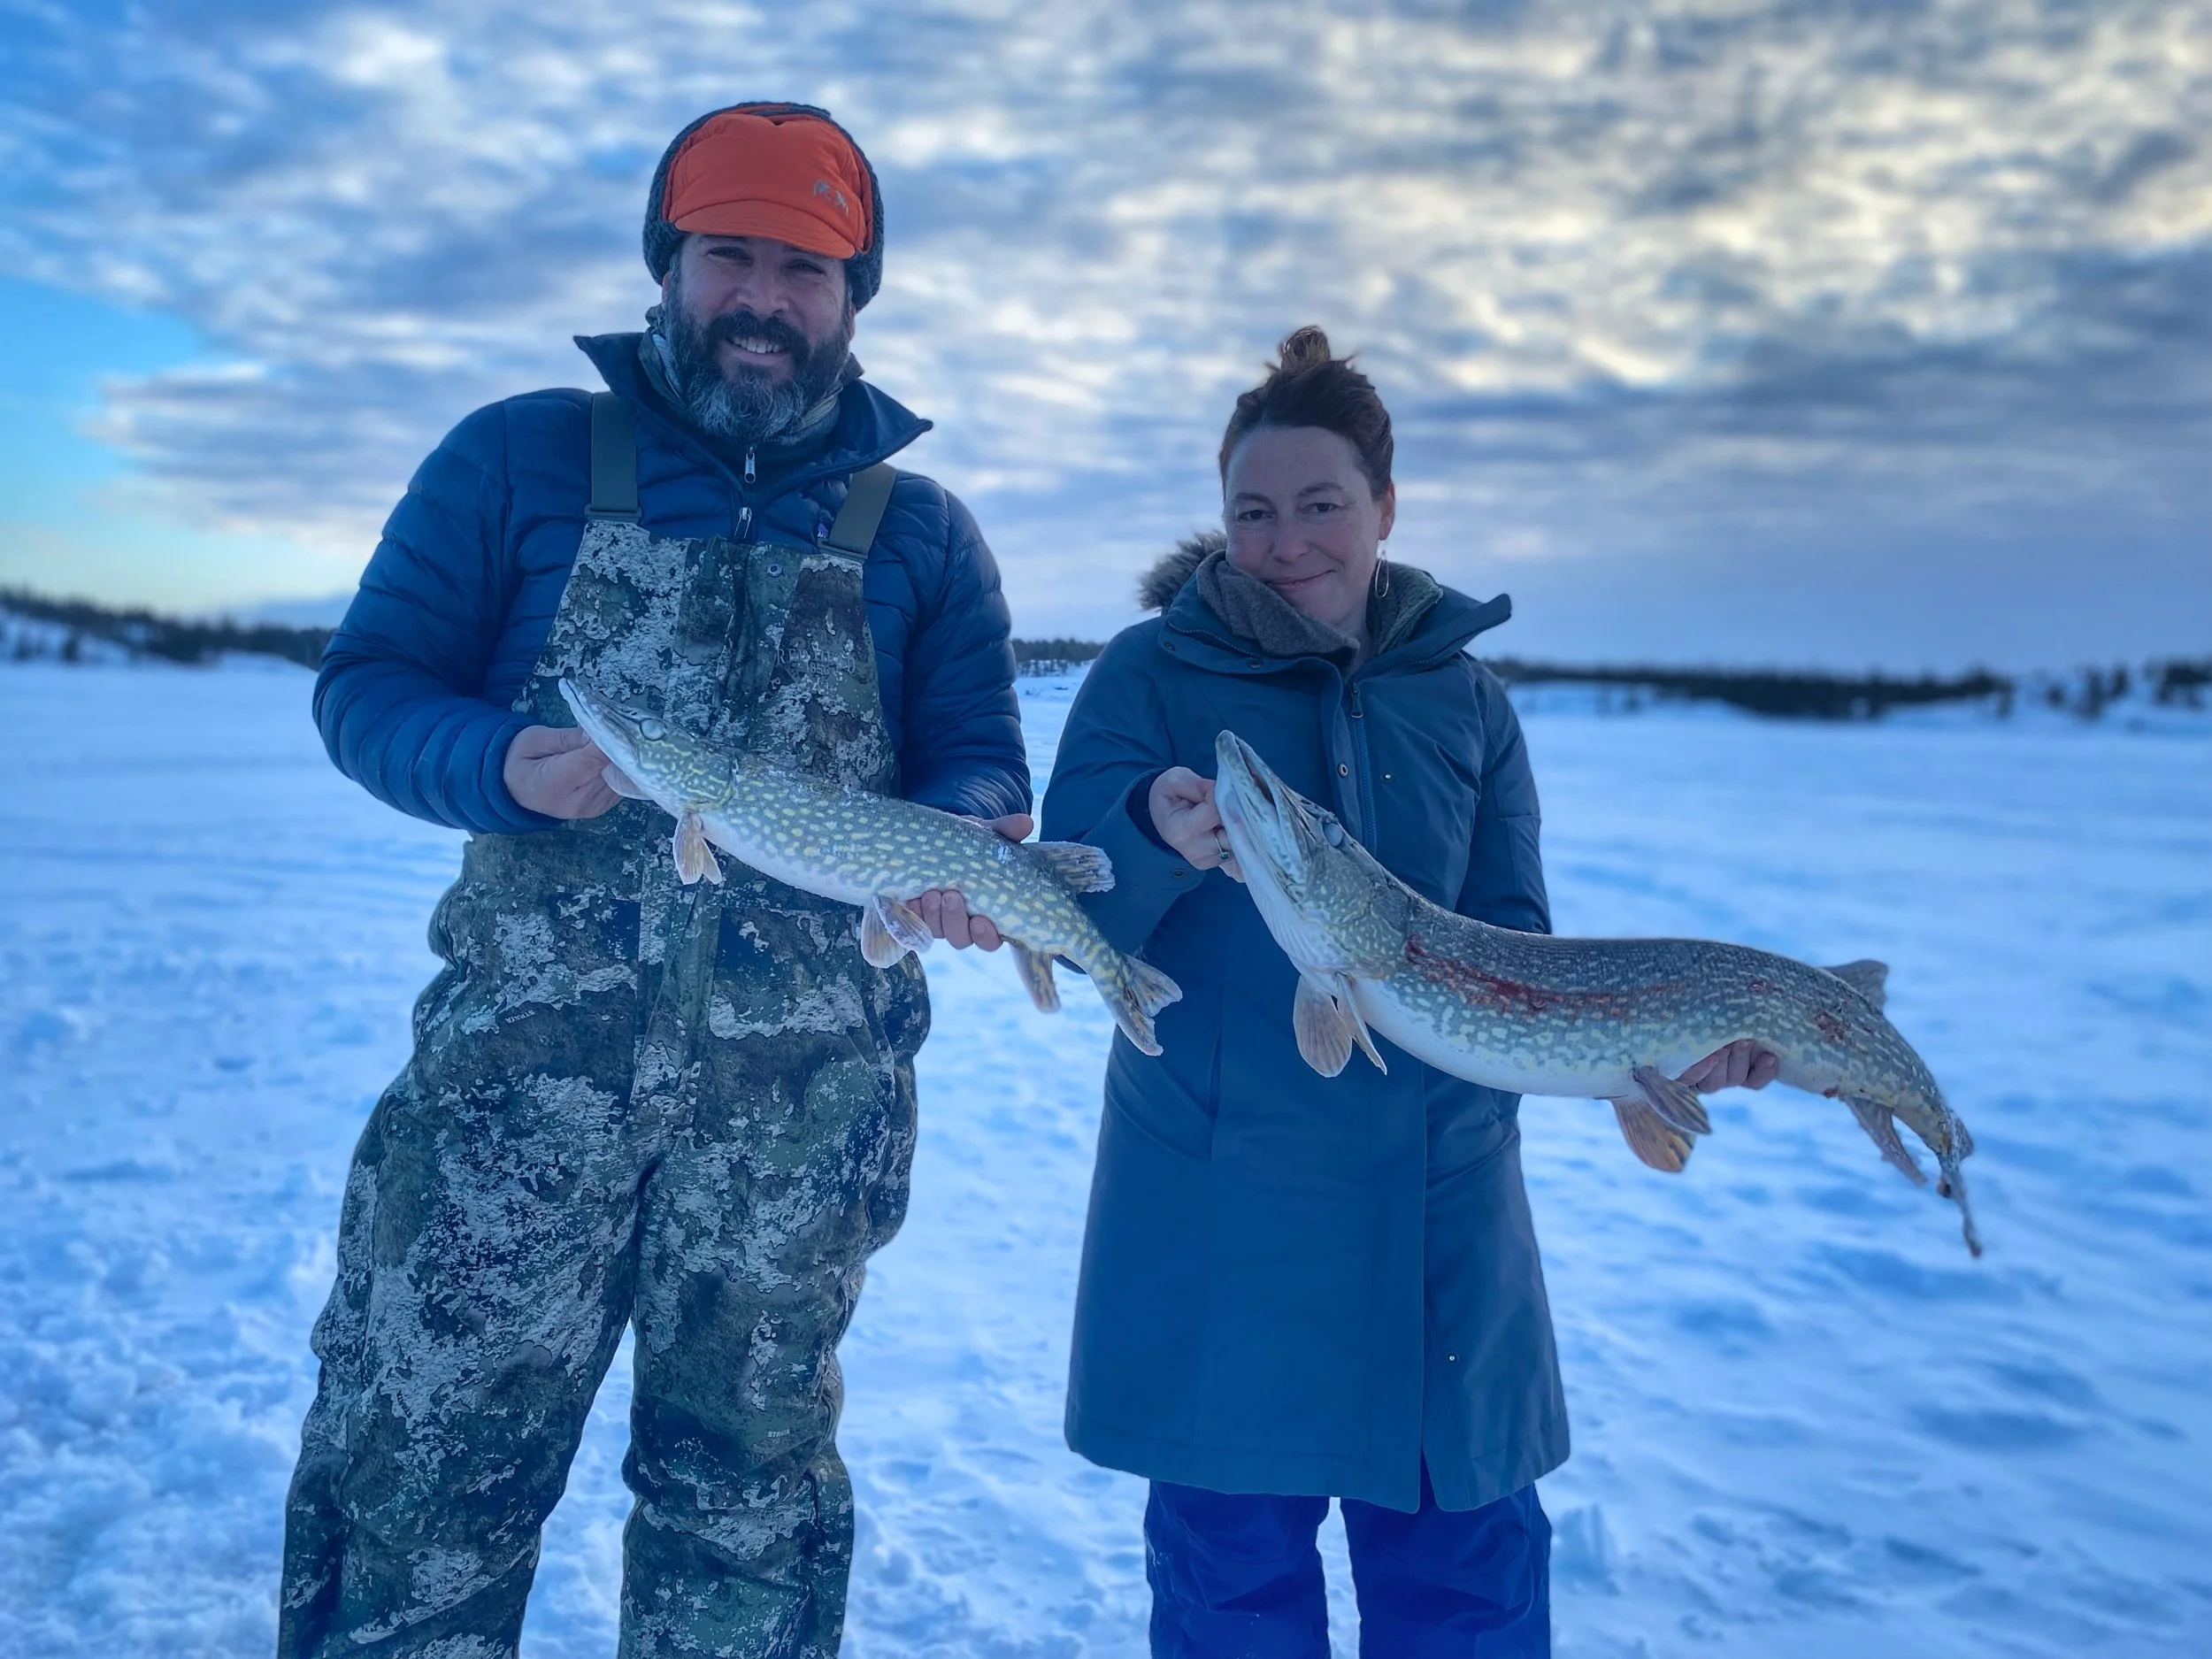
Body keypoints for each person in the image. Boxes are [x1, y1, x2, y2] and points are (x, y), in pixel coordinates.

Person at [280, 102, 1027, 1658]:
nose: (764, 298)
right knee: (419, 1489)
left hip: (796, 1131)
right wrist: (496, 763)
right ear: (667, 267)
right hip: (515, 1110)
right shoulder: (519, 458)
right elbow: (368, 686)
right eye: (728, 257)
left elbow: (977, 761)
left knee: (744, 1518)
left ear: (855, 294)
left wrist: (959, 849)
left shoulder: (926, 534)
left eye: (805, 269)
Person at [1041, 327, 1778, 1656]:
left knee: (1468, 1609)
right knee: (1234, 1610)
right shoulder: (1148, 677)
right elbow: (1066, 897)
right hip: (1221, 1230)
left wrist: (1660, 1049)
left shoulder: (1466, 699)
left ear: (1385, 507)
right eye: (1252, 512)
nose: (1286, 540)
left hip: (1443, 1237)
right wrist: (1148, 829)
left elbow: (1518, 946)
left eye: (1322, 505)